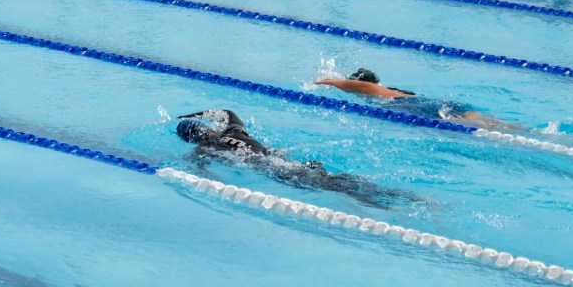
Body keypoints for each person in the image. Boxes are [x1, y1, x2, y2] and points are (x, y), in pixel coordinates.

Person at [175, 108, 418, 209]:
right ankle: (402, 198)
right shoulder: (232, 131)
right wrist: (191, 114)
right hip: (284, 164)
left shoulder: (205, 150)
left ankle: (382, 205)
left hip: (277, 171)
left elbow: (200, 173)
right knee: (336, 180)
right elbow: (227, 112)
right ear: (205, 128)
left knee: (335, 187)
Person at [315, 68, 514, 130]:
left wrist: (331, 82)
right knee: (490, 122)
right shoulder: (400, 91)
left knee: (473, 124)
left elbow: (363, 86)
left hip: (427, 111)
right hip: (436, 105)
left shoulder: (378, 91)